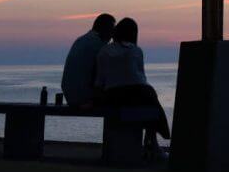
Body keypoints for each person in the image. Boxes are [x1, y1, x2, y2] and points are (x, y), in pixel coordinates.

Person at [94, 17, 171, 158]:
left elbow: (100, 80)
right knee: (151, 101)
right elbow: (141, 77)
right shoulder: (135, 50)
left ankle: (151, 143)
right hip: (138, 92)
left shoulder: (104, 51)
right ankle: (152, 143)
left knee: (149, 99)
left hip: (113, 95)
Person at [60, 13, 114, 108]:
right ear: (105, 29)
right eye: (111, 30)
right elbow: (104, 76)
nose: (112, 35)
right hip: (84, 98)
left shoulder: (80, 40)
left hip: (70, 97)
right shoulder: (99, 45)